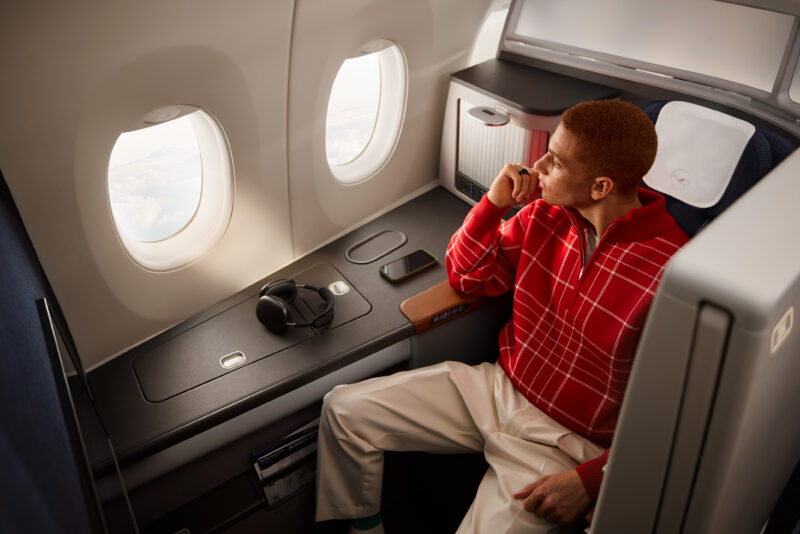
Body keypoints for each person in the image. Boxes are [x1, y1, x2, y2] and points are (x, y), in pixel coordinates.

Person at [315, 100, 689, 533]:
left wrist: (591, 482)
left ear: (601, 186)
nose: (539, 165)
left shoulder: (674, 275)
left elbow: (675, 417)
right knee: (343, 410)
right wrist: (493, 205)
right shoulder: (545, 214)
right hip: (496, 389)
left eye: (556, 161)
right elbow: (467, 275)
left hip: (564, 442)